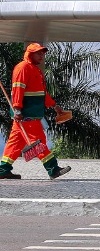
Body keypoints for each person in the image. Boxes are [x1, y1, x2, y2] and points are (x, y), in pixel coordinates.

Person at [1, 42, 71, 180]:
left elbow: (42, 93)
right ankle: (53, 169)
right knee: (38, 142)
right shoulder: (23, 68)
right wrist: (17, 109)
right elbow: (17, 90)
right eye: (39, 53)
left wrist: (54, 106)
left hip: (29, 114)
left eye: (43, 54)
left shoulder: (34, 69)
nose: (42, 56)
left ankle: (3, 169)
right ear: (30, 54)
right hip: (26, 115)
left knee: (15, 143)